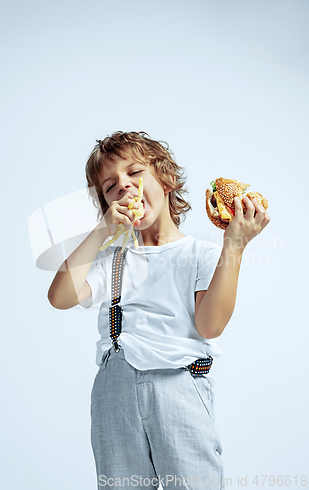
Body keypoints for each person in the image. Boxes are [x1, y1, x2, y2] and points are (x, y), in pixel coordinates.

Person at [48, 131, 270, 490]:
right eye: (110, 186)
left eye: (134, 173)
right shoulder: (113, 258)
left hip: (179, 387)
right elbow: (59, 297)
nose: (123, 186)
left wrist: (235, 244)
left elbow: (210, 325)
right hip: (115, 390)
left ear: (165, 180)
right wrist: (101, 231)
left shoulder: (202, 255)